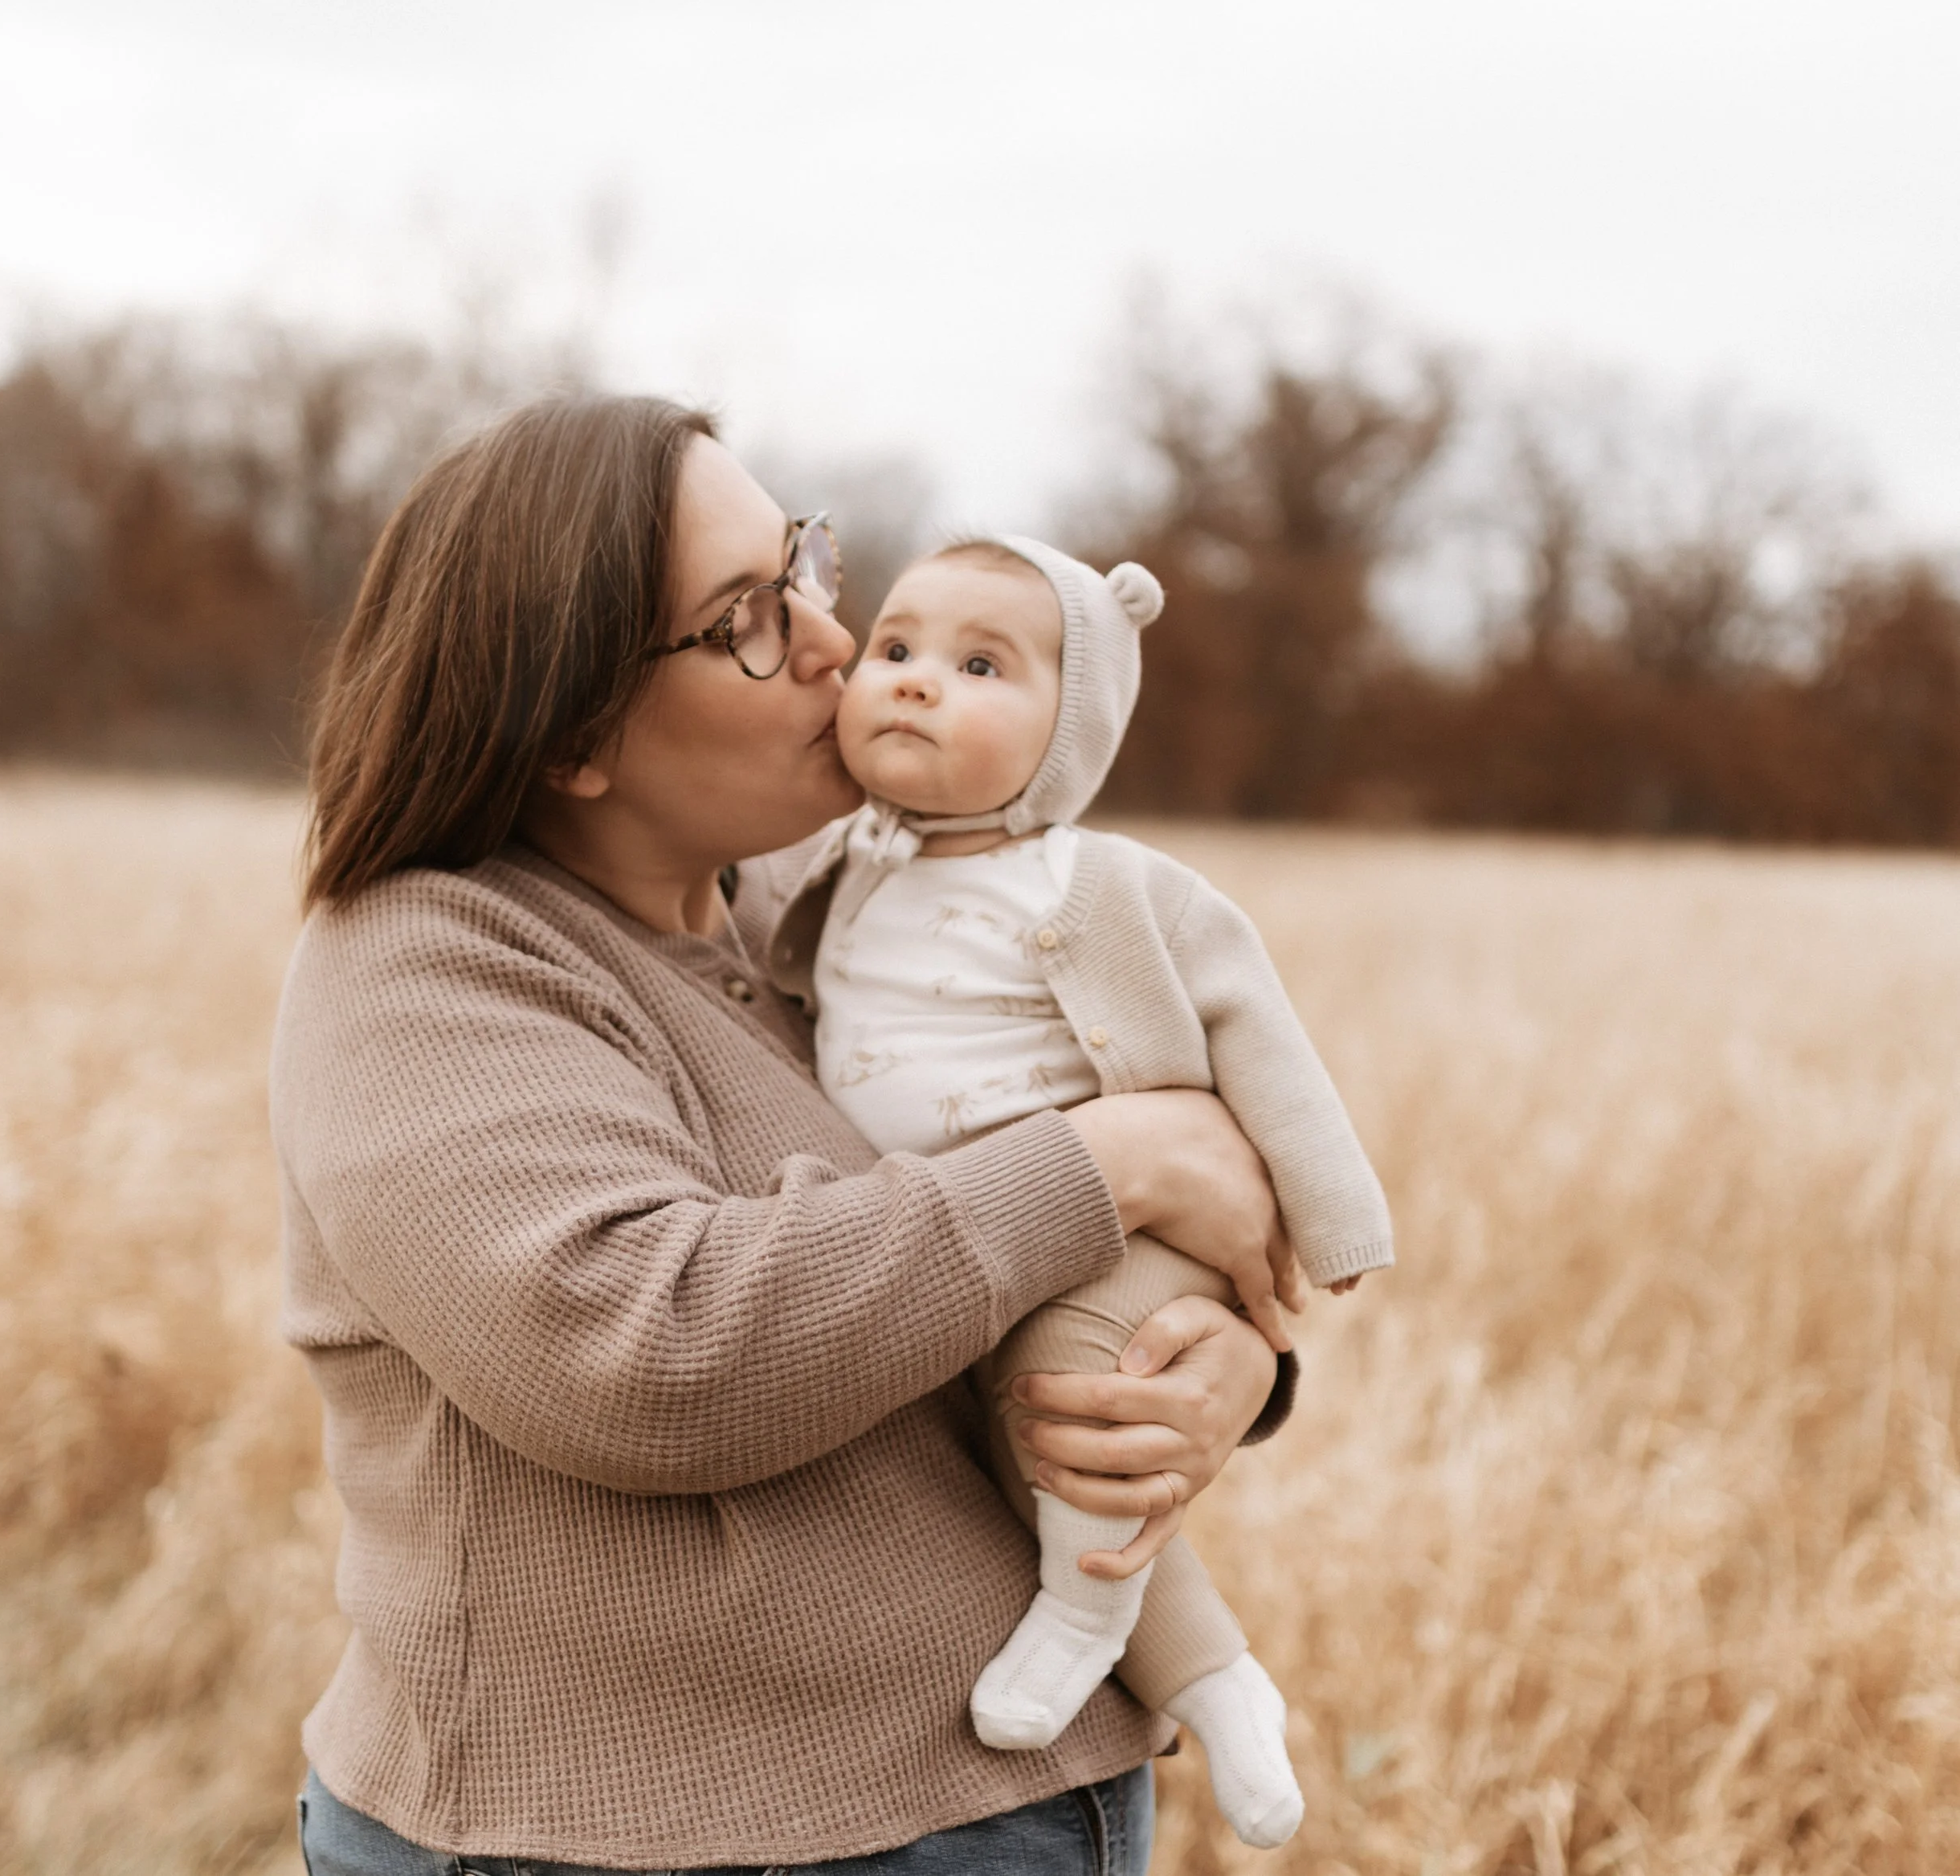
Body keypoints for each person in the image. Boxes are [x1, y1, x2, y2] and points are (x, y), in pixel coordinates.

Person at [275, 394, 1305, 1876]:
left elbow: (1119, 1205)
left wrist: (1222, 1369)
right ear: (571, 731)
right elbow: (651, 1357)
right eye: (748, 617)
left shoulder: (835, 907)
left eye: (805, 564)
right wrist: (1112, 1164)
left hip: (1023, 1798)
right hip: (640, 1844)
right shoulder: (425, 965)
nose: (834, 638)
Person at [780, 537, 1394, 1849]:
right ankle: (1217, 1683)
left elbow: (1253, 1024)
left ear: (1074, 726)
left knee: (1072, 1403)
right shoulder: (848, 867)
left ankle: (1083, 1618)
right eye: (893, 649)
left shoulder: (1097, 881)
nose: (915, 683)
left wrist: (1332, 1218)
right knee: (1028, 1453)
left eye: (980, 664)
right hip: (957, 1234)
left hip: (1104, 1235)